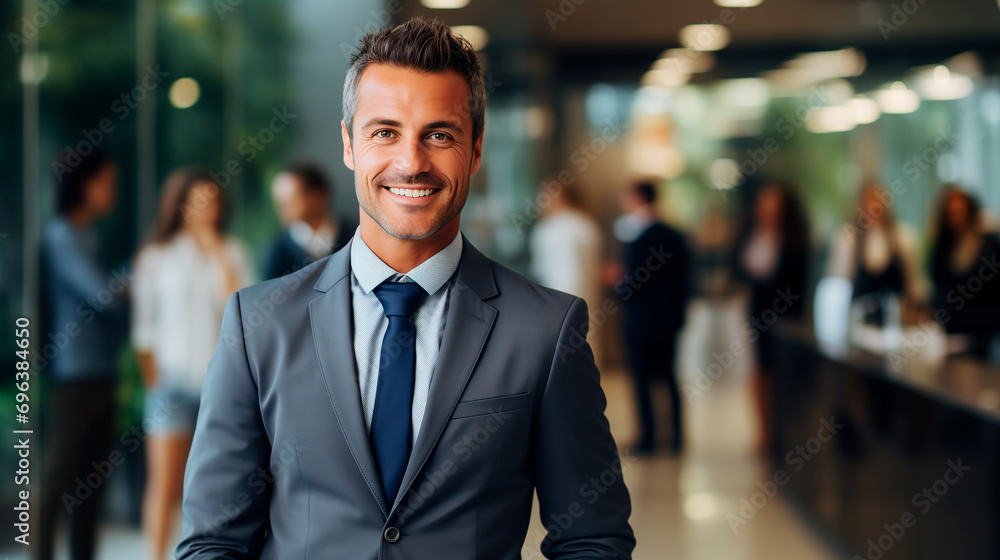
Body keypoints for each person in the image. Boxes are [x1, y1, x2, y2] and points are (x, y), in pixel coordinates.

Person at [177, 18, 634, 559]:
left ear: (477, 149)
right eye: (384, 132)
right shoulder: (259, 325)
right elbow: (213, 542)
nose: (411, 162)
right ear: (349, 144)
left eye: (439, 135)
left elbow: (591, 540)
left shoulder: (545, 331)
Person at [131, 168, 253, 560]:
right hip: (171, 385)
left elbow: (245, 312)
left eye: (213, 199)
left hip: (220, 386)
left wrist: (215, 250)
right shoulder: (155, 256)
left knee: (211, 486)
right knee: (164, 482)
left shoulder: (233, 251)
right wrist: (153, 381)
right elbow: (144, 327)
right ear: (180, 204)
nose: (207, 207)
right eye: (198, 199)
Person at [35, 150, 125, 560]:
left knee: (92, 482)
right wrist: (137, 274)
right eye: (107, 182)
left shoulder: (87, 236)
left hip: (100, 372)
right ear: (85, 185)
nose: (113, 192)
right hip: (74, 377)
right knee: (58, 477)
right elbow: (101, 296)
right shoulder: (62, 237)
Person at [731, 181, 809, 452]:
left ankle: (784, 433)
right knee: (759, 372)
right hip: (757, 313)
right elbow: (740, 269)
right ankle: (765, 433)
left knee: (783, 376)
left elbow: (795, 282)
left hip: (785, 318)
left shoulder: (793, 240)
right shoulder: (752, 235)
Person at [617, 181, 690, 455]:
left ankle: (648, 437)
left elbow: (634, 281)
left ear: (636, 198)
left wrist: (617, 282)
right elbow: (685, 281)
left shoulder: (638, 236)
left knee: (641, 378)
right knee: (668, 375)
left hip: (641, 318)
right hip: (669, 317)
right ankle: (676, 438)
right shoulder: (675, 235)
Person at [827, 180, 926, 325]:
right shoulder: (848, 240)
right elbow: (840, 284)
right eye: (868, 201)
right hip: (858, 321)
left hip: (896, 321)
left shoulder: (903, 238)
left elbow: (914, 284)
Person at [529, 181, 604, 365]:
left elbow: (546, 272)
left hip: (557, 303)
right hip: (587, 300)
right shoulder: (587, 225)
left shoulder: (551, 229)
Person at [929, 185, 1000, 357]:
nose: (957, 218)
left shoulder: (989, 245)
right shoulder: (943, 247)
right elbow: (939, 289)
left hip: (985, 337)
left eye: (961, 212)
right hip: (951, 337)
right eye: (952, 213)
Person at [262, 161, 354, 279]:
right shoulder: (277, 254)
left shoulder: (355, 235)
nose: (282, 208)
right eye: (279, 202)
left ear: (317, 196)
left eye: (290, 200)